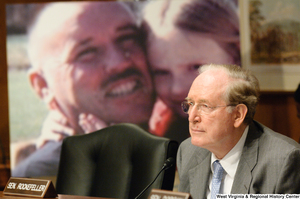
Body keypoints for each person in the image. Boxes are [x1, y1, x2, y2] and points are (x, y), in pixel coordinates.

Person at [12, 1, 156, 177]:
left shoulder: (186, 134)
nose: (119, 63)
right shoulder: (46, 175)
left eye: (127, 38)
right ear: (43, 87)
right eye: (87, 52)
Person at [177, 64, 300, 198]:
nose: (191, 117)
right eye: (190, 104)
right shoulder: (188, 151)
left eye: (205, 106)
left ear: (238, 115)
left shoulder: (283, 160)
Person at [142, 0, 240, 143]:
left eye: (196, 67)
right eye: (161, 72)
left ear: (236, 57)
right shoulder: (158, 130)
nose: (177, 89)